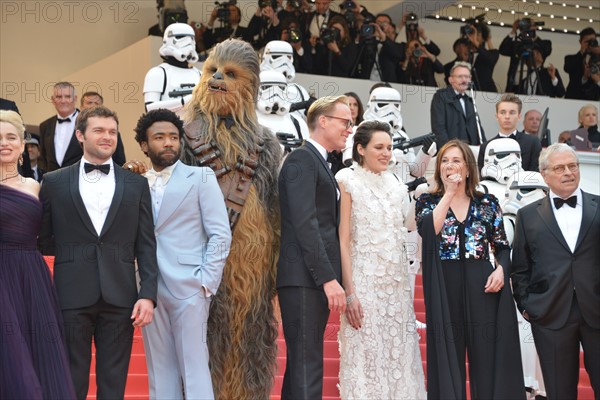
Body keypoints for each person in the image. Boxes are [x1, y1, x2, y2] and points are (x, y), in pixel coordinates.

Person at [39, 106, 158, 399]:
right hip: (70, 295)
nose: (107, 137)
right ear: (80, 135)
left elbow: (146, 244)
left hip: (120, 296)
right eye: (99, 131)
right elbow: (42, 238)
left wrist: (148, 294)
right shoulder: (54, 182)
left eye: (112, 132)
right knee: (70, 381)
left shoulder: (137, 184)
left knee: (113, 384)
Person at [132, 109, 231, 399]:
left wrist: (206, 282)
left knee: (194, 366)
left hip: (191, 285)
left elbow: (220, 233)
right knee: (159, 368)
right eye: (159, 137)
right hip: (148, 286)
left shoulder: (201, 176)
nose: (168, 143)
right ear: (144, 145)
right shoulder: (135, 181)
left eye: (173, 137)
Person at [415, 139, 525, 399]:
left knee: (487, 358)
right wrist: (449, 193)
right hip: (444, 282)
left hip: (482, 283)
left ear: (467, 168)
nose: (449, 165)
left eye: (456, 160)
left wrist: (501, 271)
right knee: (447, 355)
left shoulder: (487, 202)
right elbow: (429, 231)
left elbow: (502, 247)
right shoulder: (427, 201)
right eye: (444, 160)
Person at [336, 120, 426, 399]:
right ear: (361, 149)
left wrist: (422, 196)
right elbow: (342, 239)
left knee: (398, 355)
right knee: (367, 357)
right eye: (379, 147)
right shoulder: (346, 180)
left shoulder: (396, 181)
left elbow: (408, 225)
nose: (387, 153)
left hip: (396, 288)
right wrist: (350, 293)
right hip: (364, 285)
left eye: (389, 147)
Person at [511, 144, 600, 400]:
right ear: (544, 174)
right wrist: (530, 307)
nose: (568, 172)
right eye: (560, 168)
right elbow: (520, 269)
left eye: (573, 166)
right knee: (560, 392)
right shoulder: (527, 216)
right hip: (550, 315)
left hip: (597, 309)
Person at [277, 95, 350, 399]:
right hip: (303, 279)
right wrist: (328, 278)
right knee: (307, 368)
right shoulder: (301, 159)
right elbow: (305, 224)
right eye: (345, 122)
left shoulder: (318, 161)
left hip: (309, 280)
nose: (350, 128)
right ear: (323, 121)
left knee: (301, 368)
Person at [0, 110, 76, 399]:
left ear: (22, 146)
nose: (4, 143)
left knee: (35, 352)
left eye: (11, 138)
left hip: (31, 276)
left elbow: (54, 231)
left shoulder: (36, 186)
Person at [39, 82, 126, 172]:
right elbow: (43, 159)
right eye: (59, 97)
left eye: (68, 97)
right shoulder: (45, 126)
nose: (63, 101)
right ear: (53, 100)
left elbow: (118, 161)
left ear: (75, 99)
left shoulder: (101, 128)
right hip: (53, 182)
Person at [478, 94, 542, 172]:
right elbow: (483, 177)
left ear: (519, 116)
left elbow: (535, 173)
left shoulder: (532, 143)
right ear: (497, 116)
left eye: (512, 113)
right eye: (502, 112)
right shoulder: (485, 147)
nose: (507, 116)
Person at [431, 62, 486, 147]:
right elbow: (438, 128)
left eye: (467, 77)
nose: (464, 80)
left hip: (470, 152)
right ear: (450, 80)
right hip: (452, 152)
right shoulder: (441, 97)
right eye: (460, 76)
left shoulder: (470, 101)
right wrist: (447, 150)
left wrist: (483, 148)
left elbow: (478, 129)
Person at [500, 17, 552, 93]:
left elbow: (545, 51)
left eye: (531, 25)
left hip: (532, 85)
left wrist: (532, 38)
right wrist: (513, 31)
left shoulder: (543, 44)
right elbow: (503, 50)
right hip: (514, 85)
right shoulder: (517, 44)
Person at [564, 27, 600, 100]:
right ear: (580, 42)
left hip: (593, 100)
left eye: (593, 41)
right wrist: (582, 52)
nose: (590, 44)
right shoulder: (570, 58)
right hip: (574, 98)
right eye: (587, 42)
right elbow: (567, 68)